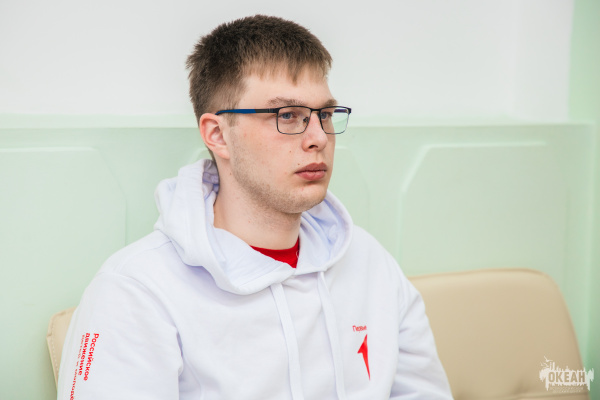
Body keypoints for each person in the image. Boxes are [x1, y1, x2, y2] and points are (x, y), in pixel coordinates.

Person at [57, 15, 452, 400]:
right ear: (218, 135)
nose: (319, 137)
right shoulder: (135, 291)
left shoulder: (370, 262)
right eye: (288, 116)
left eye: (325, 115)